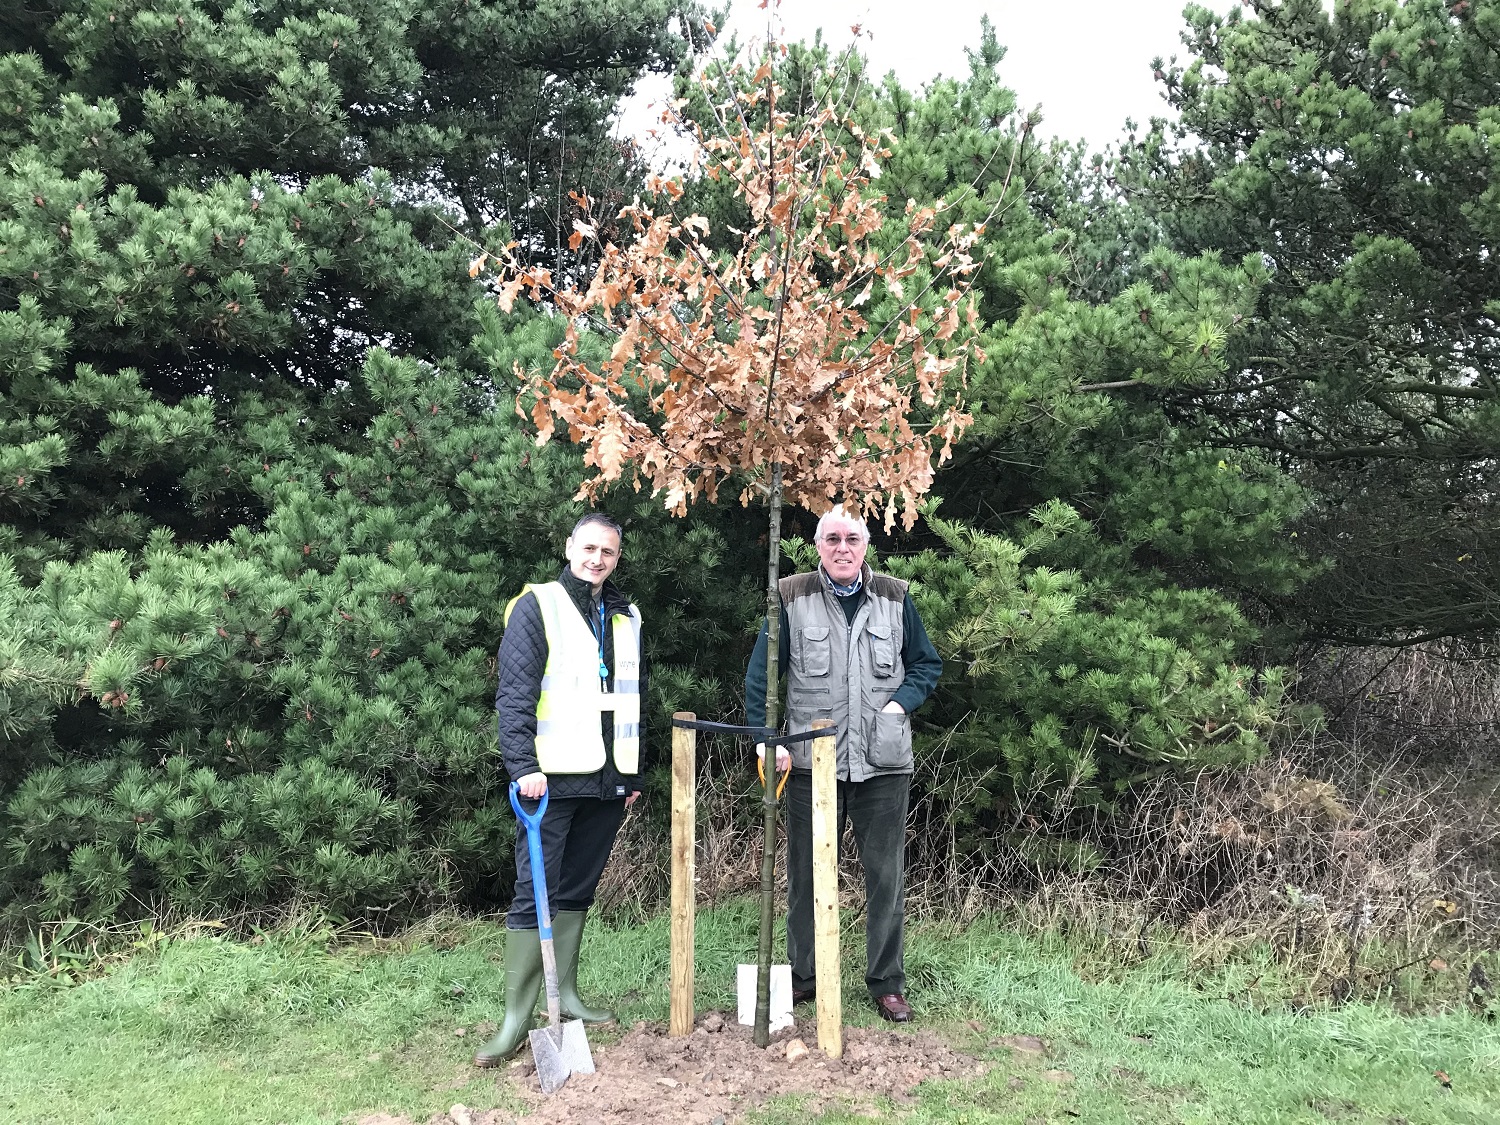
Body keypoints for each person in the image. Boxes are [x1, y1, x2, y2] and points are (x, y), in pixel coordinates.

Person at [744, 505, 942, 1024]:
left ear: (866, 545)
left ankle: (886, 983)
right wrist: (768, 740)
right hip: (812, 764)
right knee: (806, 876)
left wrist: (899, 703)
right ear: (817, 546)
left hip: (883, 762)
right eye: (831, 538)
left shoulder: (896, 598)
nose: (842, 548)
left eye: (852, 538)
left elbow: (926, 664)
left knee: (885, 877)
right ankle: (805, 977)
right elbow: (761, 676)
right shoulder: (791, 596)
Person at [473, 513, 646, 1067]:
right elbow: (516, 692)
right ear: (569, 547)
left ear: (618, 558)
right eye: (589, 548)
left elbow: (633, 697)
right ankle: (515, 1020)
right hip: (547, 779)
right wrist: (522, 764)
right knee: (535, 893)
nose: (598, 559)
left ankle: (566, 995)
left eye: (609, 553)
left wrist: (630, 773)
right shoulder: (538, 605)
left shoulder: (625, 614)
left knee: (576, 890)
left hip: (607, 780)